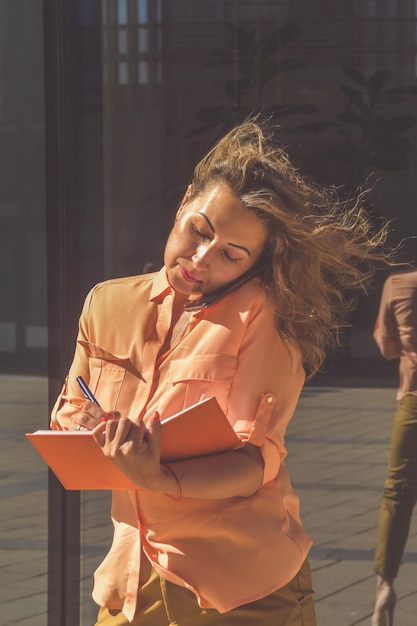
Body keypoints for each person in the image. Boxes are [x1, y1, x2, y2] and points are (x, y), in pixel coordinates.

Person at [51, 118, 389, 626]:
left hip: (243, 589)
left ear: (255, 263)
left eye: (230, 254)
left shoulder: (263, 315)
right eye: (198, 230)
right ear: (186, 200)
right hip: (129, 586)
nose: (200, 259)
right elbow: (69, 418)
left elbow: (256, 463)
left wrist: (159, 475)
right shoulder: (107, 302)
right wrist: (93, 433)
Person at [372, 270, 417, 626]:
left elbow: (387, 347)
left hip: (413, 403)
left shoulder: (400, 285)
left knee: (397, 492)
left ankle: (384, 585)